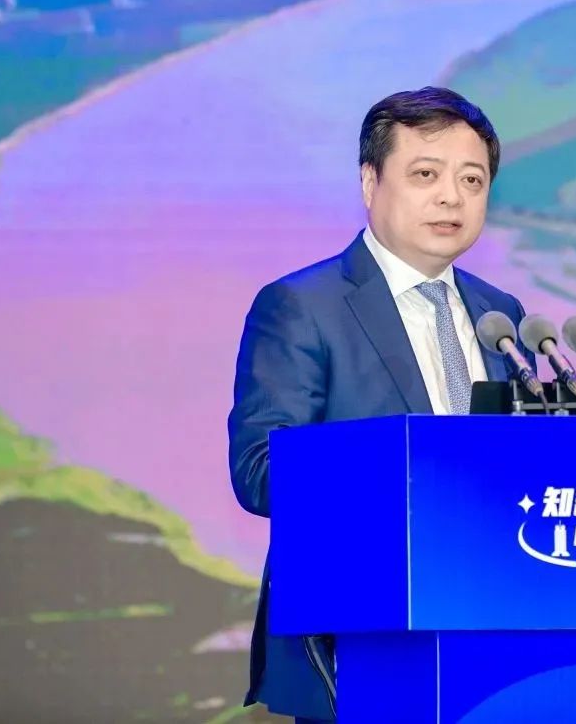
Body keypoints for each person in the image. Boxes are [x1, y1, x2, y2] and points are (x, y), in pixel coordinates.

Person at [228, 86, 534, 722]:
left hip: (496, 630)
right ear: (370, 183)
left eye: (472, 180)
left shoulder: (501, 314)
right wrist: (419, 471)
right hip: (359, 643)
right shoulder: (302, 306)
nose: (452, 197)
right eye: (426, 175)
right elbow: (261, 472)